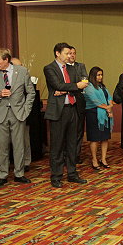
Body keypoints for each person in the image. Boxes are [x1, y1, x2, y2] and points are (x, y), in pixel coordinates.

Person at [0, 49, 35, 187]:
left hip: (18, 113)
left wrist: (26, 109)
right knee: (1, 147)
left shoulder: (22, 71)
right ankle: (2, 175)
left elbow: (31, 92)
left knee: (19, 146)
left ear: (6, 60)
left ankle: (19, 174)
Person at [43, 42, 88, 188]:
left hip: (73, 108)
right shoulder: (49, 68)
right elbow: (58, 85)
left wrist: (66, 89)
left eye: (70, 53)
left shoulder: (72, 68)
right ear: (57, 53)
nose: (69, 56)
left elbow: (80, 86)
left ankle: (72, 173)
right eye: (66, 53)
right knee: (57, 145)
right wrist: (72, 87)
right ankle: (56, 176)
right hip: (58, 111)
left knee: (72, 144)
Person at [83, 66, 114, 170]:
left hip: (104, 114)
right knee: (95, 138)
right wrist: (107, 108)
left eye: (101, 75)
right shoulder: (89, 87)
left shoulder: (102, 86)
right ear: (93, 76)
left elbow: (109, 97)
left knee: (105, 138)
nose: (100, 77)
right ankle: (94, 159)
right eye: (98, 75)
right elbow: (95, 100)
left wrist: (109, 106)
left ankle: (103, 159)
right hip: (93, 114)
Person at [10, 56, 33, 171]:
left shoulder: (24, 76)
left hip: (22, 112)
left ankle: (26, 162)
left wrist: (26, 109)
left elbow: (30, 93)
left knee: (24, 140)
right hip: (6, 113)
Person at [67, 46, 88, 163]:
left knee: (79, 130)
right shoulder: (63, 67)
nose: (72, 55)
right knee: (68, 131)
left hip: (80, 101)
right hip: (67, 101)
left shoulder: (80, 66)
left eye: (74, 53)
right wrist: (76, 85)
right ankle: (67, 155)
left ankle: (76, 155)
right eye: (70, 53)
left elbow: (84, 81)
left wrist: (77, 84)